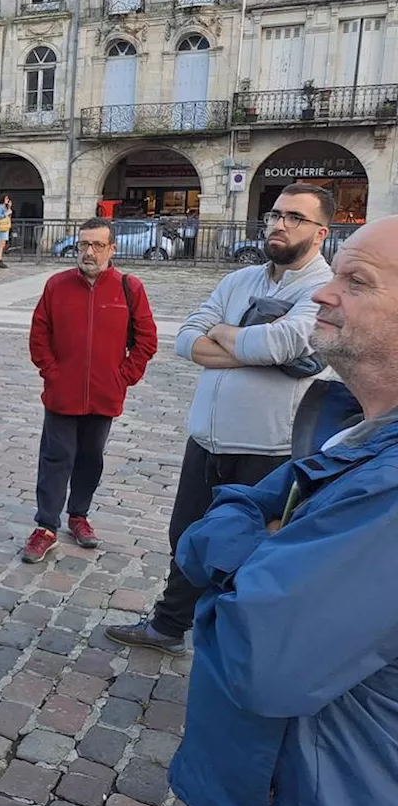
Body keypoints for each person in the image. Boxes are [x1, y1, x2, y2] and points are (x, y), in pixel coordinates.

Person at [169, 216, 398, 806]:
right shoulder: (352, 427)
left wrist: (248, 556)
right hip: (283, 792)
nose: (326, 293)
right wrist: (263, 548)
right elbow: (226, 515)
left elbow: (260, 651)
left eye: (356, 281)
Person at [107, 183, 336, 655]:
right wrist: (247, 344)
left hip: (266, 449)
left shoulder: (323, 290)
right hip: (208, 438)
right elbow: (186, 339)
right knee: (186, 535)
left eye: (294, 217)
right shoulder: (240, 281)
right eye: (275, 214)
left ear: (320, 233)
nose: (278, 224)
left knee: (248, 549)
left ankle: (234, 645)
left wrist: (229, 335)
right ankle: (169, 626)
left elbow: (284, 345)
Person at [22, 217, 159, 563]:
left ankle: (79, 515)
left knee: (90, 458)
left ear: (112, 249)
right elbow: (39, 334)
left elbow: (146, 340)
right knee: (55, 458)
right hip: (62, 394)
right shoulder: (57, 286)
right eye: (84, 244)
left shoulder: (129, 288)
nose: (89, 251)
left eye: (97, 245)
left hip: (104, 395)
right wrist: (52, 373)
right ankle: (46, 526)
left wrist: (123, 377)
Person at [0, 194, 12, 269]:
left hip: (5, 225)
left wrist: (9, 207)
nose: (7, 200)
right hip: (2, 226)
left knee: (2, 243)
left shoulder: (4, 207)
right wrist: (5, 214)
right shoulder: (0, 206)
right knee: (1, 243)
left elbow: (9, 214)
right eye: (6, 198)